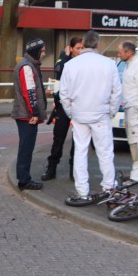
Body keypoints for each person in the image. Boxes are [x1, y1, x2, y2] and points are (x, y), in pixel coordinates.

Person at [59, 30, 121, 203]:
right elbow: (117, 92)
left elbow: (63, 93)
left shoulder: (71, 65)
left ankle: (82, 191)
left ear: (84, 44)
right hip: (101, 114)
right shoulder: (109, 64)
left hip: (79, 114)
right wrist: (111, 111)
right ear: (98, 44)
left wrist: (72, 112)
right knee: (105, 152)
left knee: (80, 151)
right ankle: (109, 187)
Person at [42, 36, 83, 181]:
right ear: (70, 48)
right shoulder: (63, 59)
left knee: (77, 141)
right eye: (77, 48)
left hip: (78, 106)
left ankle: (74, 170)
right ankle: (51, 169)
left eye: (81, 48)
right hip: (62, 106)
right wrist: (65, 56)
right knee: (58, 138)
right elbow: (58, 69)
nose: (80, 51)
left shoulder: (84, 62)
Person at [11, 38, 48, 190]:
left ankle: (23, 177)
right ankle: (24, 180)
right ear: (37, 51)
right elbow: (30, 92)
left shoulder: (28, 65)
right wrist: (35, 113)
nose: (44, 54)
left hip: (26, 114)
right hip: (27, 115)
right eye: (43, 51)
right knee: (26, 148)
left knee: (25, 147)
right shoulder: (27, 67)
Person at [117, 41, 138, 183]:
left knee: (136, 141)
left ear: (129, 52)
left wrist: (135, 107)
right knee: (135, 141)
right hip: (131, 108)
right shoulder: (130, 65)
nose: (118, 55)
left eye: (120, 52)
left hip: (135, 110)